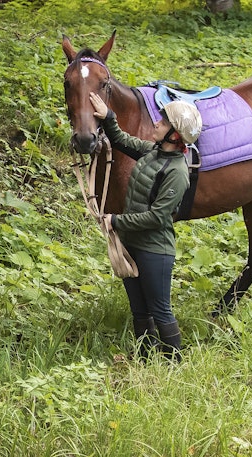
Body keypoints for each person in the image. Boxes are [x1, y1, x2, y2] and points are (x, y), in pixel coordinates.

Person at [88, 92, 201, 360]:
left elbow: (157, 218)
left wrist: (115, 220)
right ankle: (145, 358)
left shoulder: (177, 173)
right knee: (139, 310)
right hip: (132, 244)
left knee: (160, 309)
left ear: (175, 135)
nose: (156, 124)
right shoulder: (153, 152)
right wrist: (109, 117)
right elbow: (122, 141)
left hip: (154, 251)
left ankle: (175, 362)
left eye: (162, 123)